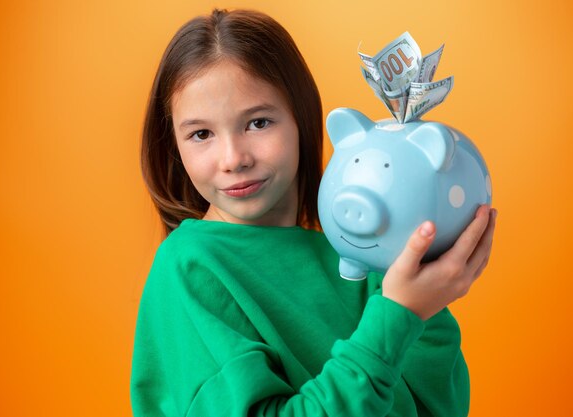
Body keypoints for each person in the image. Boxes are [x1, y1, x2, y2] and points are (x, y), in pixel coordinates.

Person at [131, 8, 497, 417]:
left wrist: (428, 299)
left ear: (302, 120)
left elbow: (434, 407)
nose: (233, 159)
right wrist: (399, 314)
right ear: (174, 146)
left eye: (258, 123)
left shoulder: (366, 262)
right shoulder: (190, 268)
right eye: (201, 134)